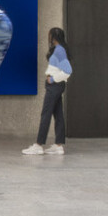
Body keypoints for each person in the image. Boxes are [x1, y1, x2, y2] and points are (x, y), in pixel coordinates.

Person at [24, 26, 71, 156]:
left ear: (53, 37)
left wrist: (53, 79)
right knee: (58, 114)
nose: (48, 37)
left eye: (49, 35)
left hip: (54, 86)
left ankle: (38, 145)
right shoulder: (59, 49)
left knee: (46, 114)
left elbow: (68, 71)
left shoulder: (59, 50)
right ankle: (58, 145)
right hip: (56, 86)